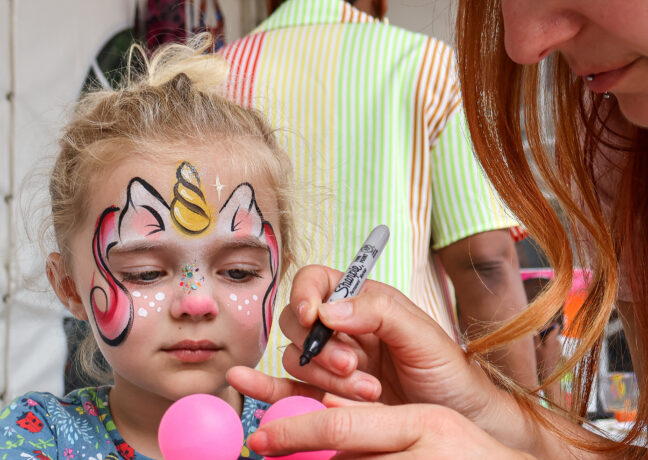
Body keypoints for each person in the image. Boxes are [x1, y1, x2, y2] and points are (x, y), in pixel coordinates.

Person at [227, 0, 648, 460]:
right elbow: (485, 264)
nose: (522, 46)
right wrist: (495, 419)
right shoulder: (622, 129)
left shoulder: (218, 70)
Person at [0, 37, 341, 460]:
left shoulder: (302, 436)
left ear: (280, 273)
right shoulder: (45, 433)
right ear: (70, 286)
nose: (195, 301)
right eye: (143, 273)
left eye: (238, 272)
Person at [221, 0, 539, 390]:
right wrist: (522, 426)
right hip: (399, 399)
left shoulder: (211, 76)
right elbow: (485, 264)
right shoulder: (426, 65)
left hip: (240, 400)